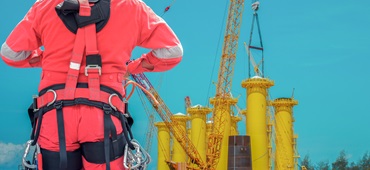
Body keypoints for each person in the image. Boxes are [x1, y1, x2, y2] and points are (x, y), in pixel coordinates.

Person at [1, 0, 183, 169]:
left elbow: (11, 53)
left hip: (54, 117)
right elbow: (172, 51)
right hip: (104, 117)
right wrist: (131, 68)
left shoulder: (45, 5)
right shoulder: (132, 7)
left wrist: (47, 60)